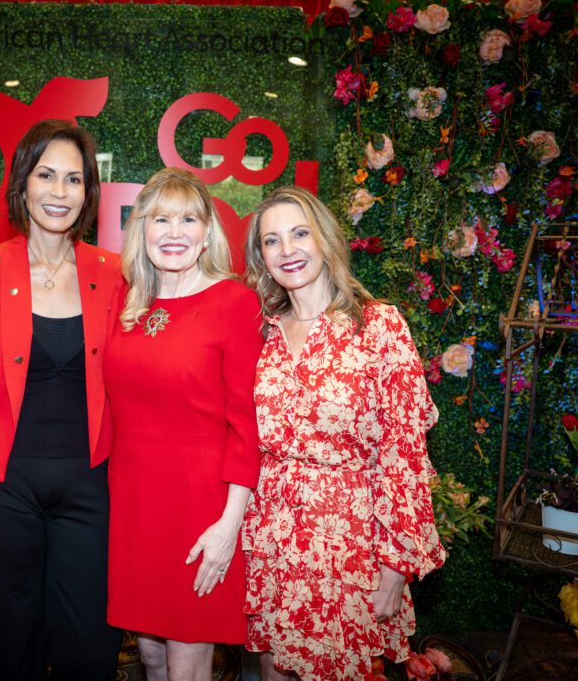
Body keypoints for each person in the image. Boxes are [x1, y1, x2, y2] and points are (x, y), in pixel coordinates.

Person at [241, 186, 446, 681]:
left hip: (348, 542)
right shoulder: (258, 333)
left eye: (299, 234)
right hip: (269, 537)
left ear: (325, 239)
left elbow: (405, 455)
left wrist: (396, 566)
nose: (287, 250)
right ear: (260, 256)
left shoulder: (378, 327)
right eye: (271, 241)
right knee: (273, 670)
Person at [0, 119, 125, 681]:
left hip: (92, 483)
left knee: (91, 644)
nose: (59, 192)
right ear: (22, 183)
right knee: (7, 642)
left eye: (73, 180)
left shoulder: (115, 272)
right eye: (46, 175)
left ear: (89, 192)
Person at [104, 167, 262, 680]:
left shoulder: (234, 302)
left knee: (188, 658)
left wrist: (228, 527)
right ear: (141, 231)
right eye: (159, 219)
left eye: (188, 219)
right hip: (132, 503)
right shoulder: (126, 302)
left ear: (206, 232)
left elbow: (247, 425)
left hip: (200, 506)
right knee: (149, 655)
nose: (173, 232)